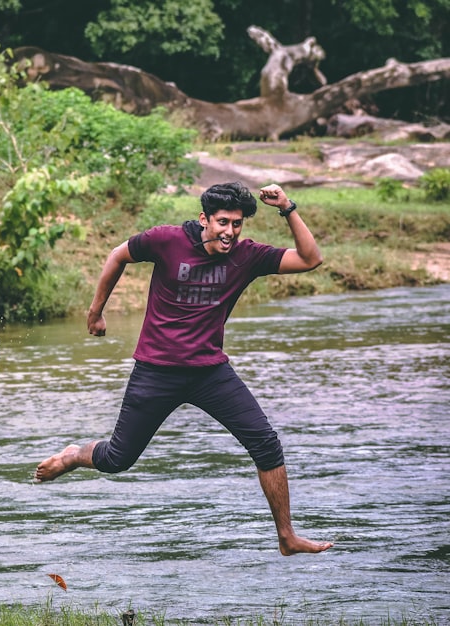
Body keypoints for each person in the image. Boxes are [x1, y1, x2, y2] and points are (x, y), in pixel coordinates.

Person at [35, 182, 334, 556]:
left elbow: (310, 259)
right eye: (223, 222)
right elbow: (117, 256)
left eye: (237, 224)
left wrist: (288, 207)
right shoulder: (166, 241)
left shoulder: (247, 256)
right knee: (117, 460)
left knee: (266, 443)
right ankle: (72, 456)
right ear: (204, 219)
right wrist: (95, 311)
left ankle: (287, 537)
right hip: (156, 371)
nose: (229, 232)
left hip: (210, 373)